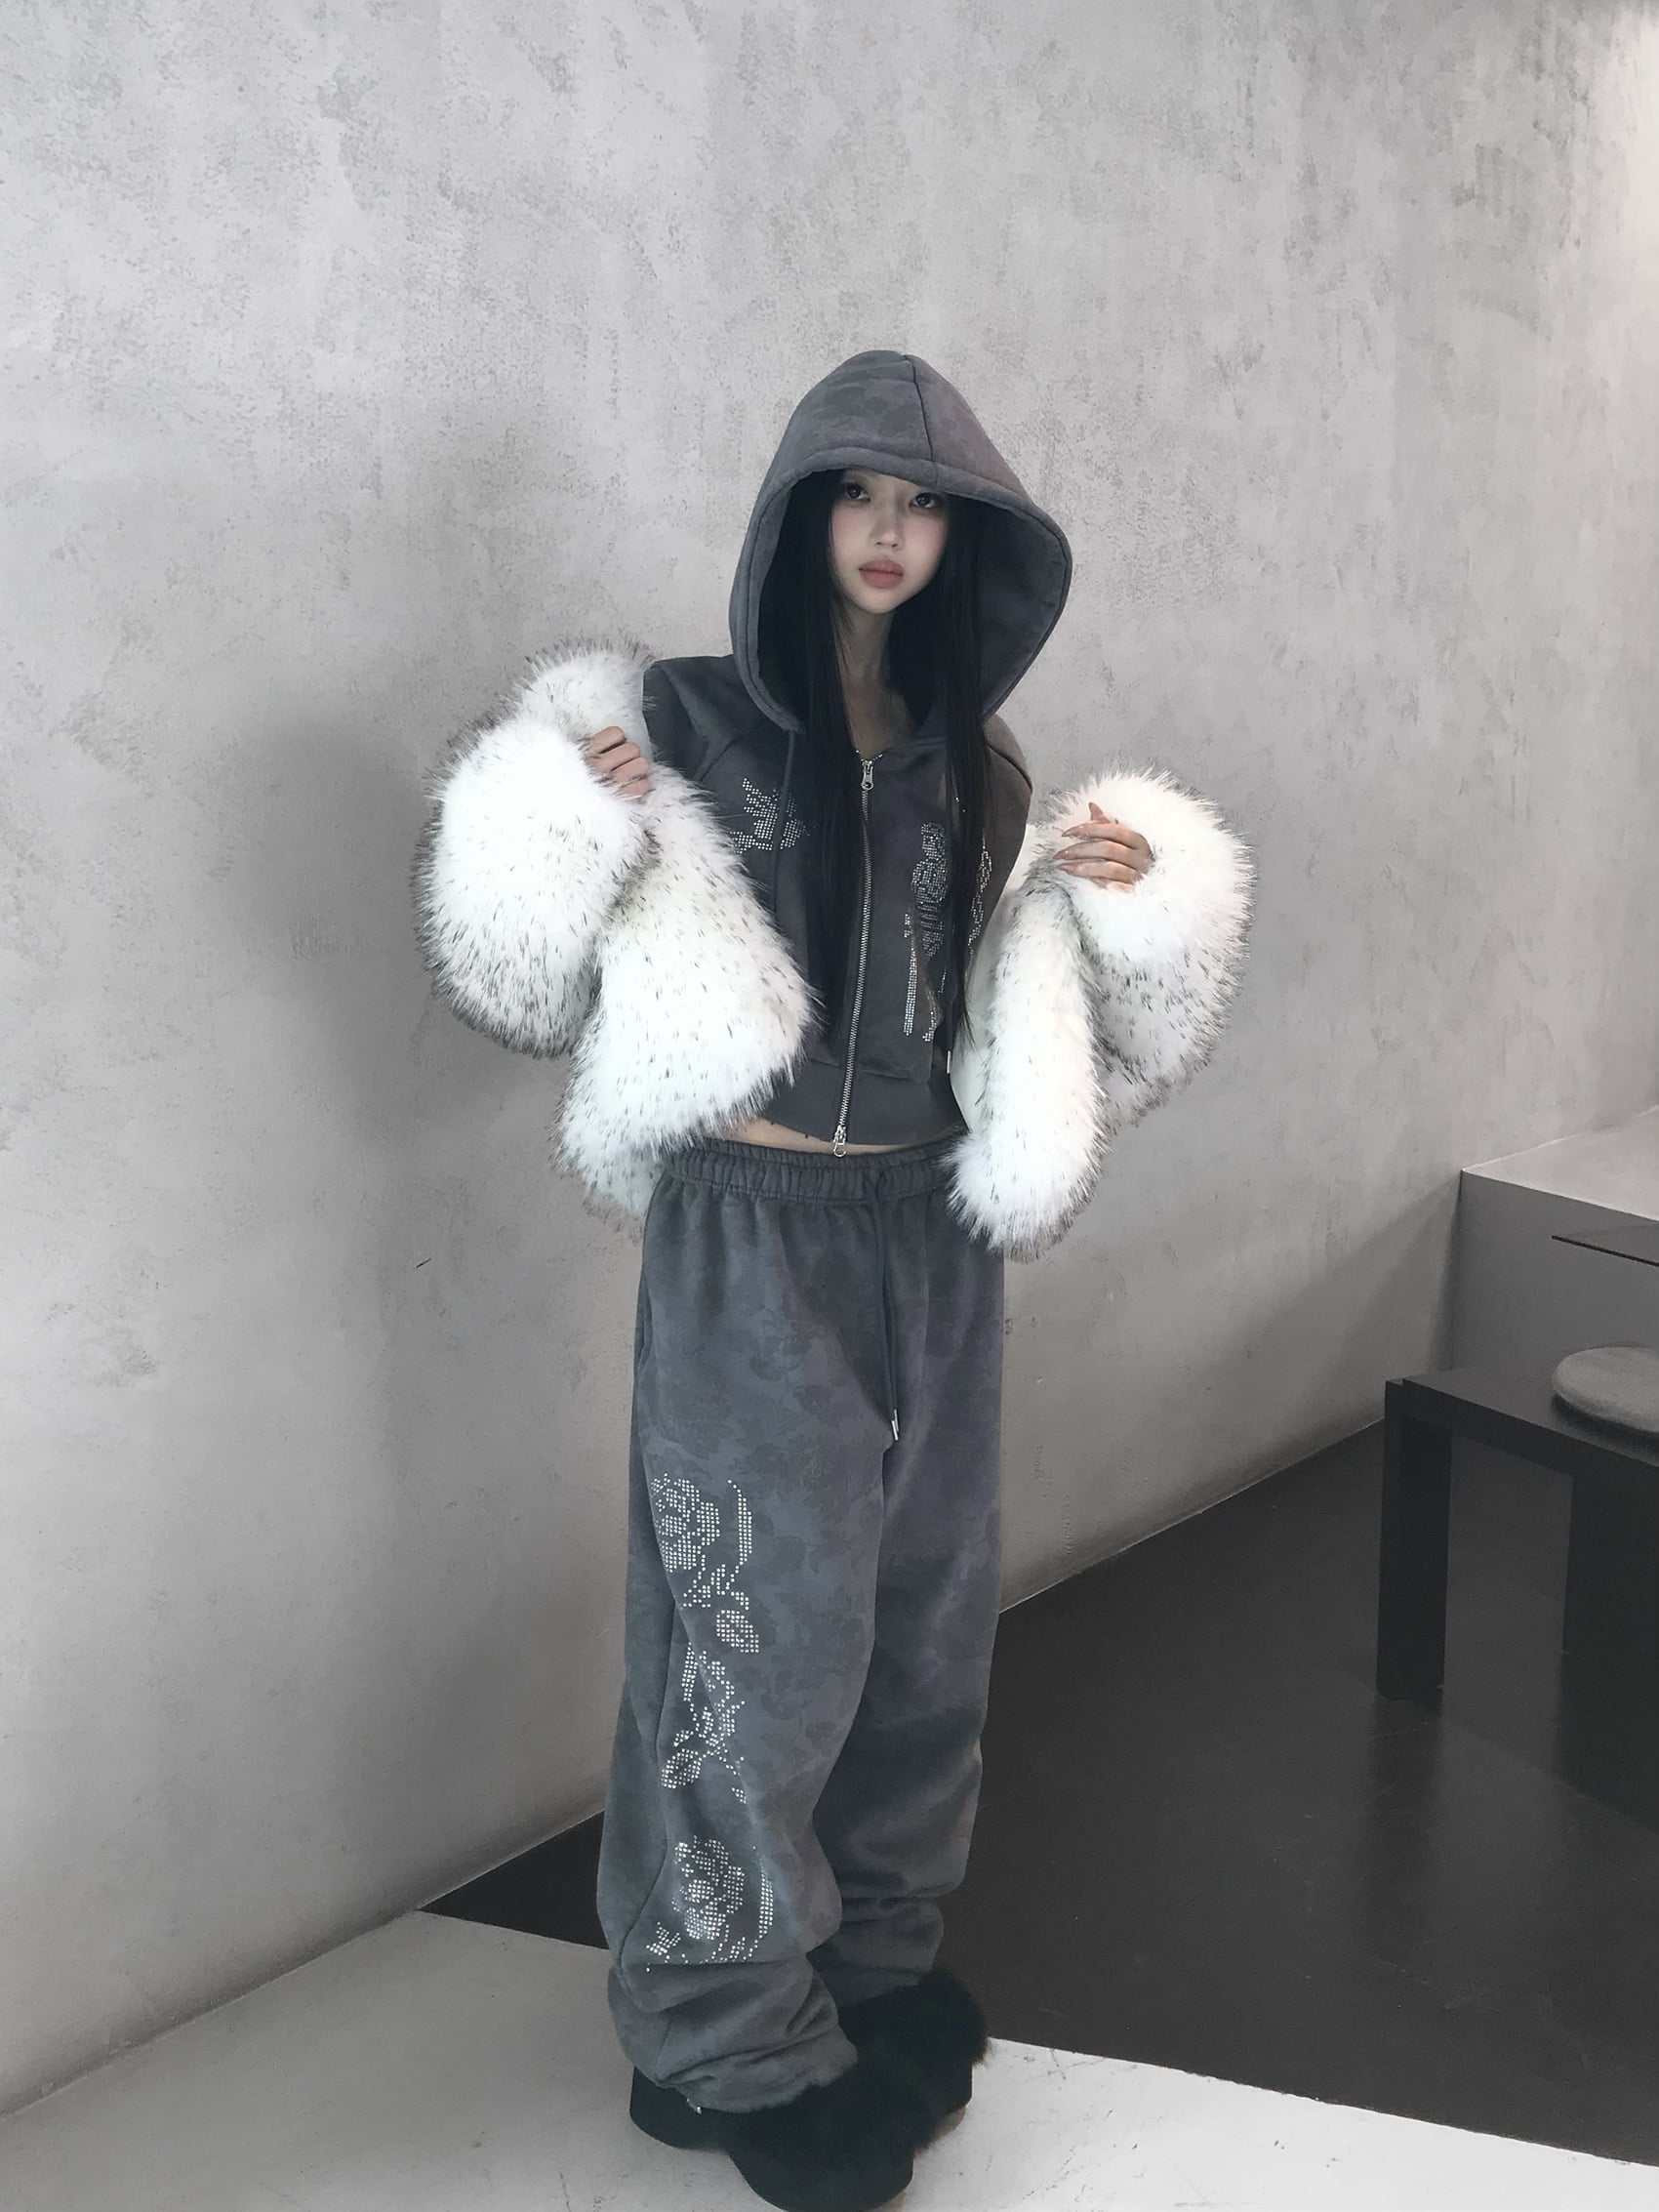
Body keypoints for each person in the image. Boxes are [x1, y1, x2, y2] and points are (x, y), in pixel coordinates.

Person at [411, 348, 1255, 2212]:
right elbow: (520, 969)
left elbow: (1008, 1011)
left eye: (924, 504)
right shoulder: (686, 719)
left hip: (927, 1229)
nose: (889, 531)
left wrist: (1110, 896)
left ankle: (868, 1963)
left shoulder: (979, 763)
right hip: (752, 1228)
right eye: (858, 496)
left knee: (924, 1621)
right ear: (801, 516)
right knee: (758, 1632)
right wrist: (569, 808)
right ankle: (715, 2027)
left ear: (966, 539)